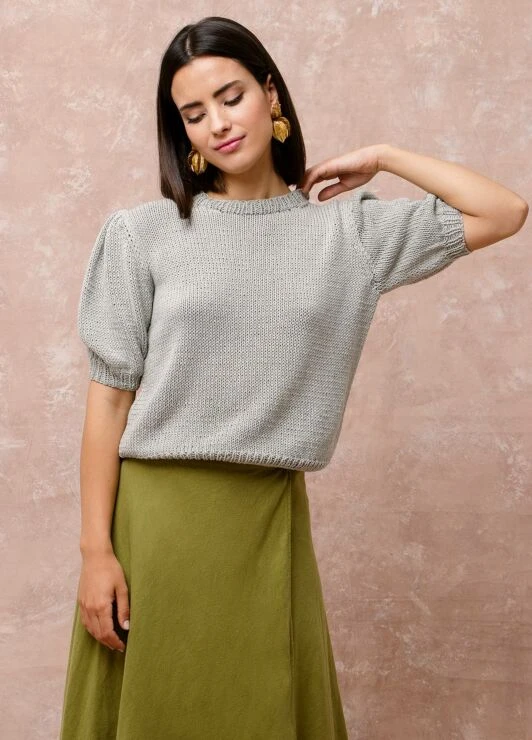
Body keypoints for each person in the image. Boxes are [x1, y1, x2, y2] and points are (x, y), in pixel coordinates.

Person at [59, 15, 528, 740]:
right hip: (155, 524)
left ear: (270, 94)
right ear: (182, 132)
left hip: (267, 520)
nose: (219, 123)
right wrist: (96, 553)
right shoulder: (143, 235)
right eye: (194, 113)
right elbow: (109, 401)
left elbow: (504, 211)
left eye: (232, 97)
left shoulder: (347, 233)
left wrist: (385, 155)